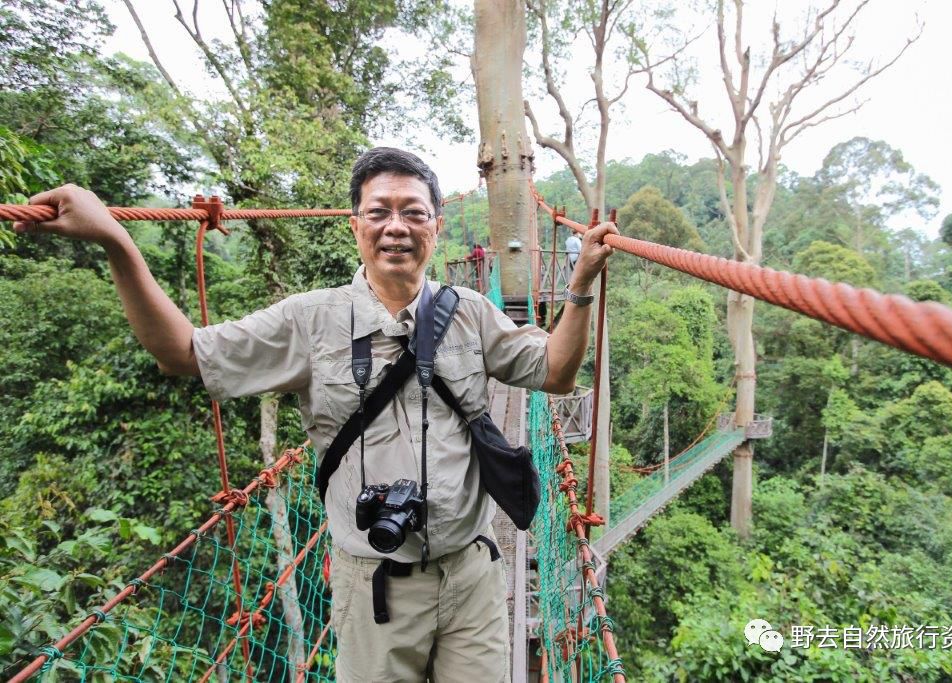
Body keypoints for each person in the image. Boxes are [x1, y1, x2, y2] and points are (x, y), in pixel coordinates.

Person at [13, 147, 618, 682]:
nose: (395, 226)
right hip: (374, 586)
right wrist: (116, 241)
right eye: (378, 212)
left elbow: (555, 373)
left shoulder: (472, 312)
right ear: (355, 226)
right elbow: (184, 353)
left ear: (437, 226)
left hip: (473, 575)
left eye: (413, 212)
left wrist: (581, 284)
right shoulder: (310, 320)